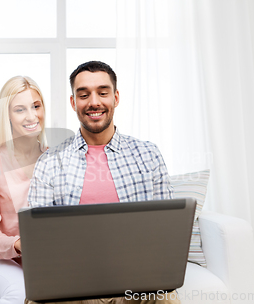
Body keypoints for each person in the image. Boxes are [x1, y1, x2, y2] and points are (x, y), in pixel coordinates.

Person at [26, 61, 180, 304]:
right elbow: (38, 240)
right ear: (73, 102)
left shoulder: (148, 154)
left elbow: (170, 231)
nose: (94, 102)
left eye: (103, 92)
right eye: (84, 94)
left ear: (116, 98)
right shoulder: (50, 161)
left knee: (165, 299)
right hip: (71, 281)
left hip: (136, 280)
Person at [0, 76, 47, 304]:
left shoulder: (54, 158)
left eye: (36, 106)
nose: (32, 116)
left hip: (39, 260)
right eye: (20, 109)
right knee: (21, 293)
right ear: (7, 116)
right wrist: (17, 244)